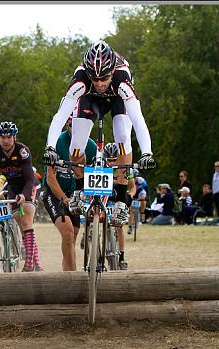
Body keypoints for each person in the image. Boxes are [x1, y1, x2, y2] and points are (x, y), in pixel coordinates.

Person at [43, 40, 156, 227]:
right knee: (77, 144)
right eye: (94, 79)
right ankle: (80, 189)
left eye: (104, 78)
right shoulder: (80, 80)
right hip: (88, 98)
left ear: (112, 72)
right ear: (87, 73)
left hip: (117, 99)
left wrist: (147, 152)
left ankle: (120, 199)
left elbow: (138, 119)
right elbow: (61, 116)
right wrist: (50, 147)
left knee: (122, 137)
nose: (99, 83)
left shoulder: (122, 79)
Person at [0, 121, 43, 272]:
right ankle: (35, 259)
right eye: (2, 137)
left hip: (28, 185)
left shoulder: (22, 151)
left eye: (9, 137)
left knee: (27, 221)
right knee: (20, 223)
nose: (6, 141)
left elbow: (30, 179)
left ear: (14, 137)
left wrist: (24, 195)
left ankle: (30, 264)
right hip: (12, 187)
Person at [41, 119, 96, 271]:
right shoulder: (57, 143)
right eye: (73, 125)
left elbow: (95, 176)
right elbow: (50, 178)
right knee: (68, 232)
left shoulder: (91, 146)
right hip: (56, 194)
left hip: (77, 196)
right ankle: (73, 276)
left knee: (72, 238)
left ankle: (67, 272)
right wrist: (63, 198)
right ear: (67, 124)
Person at [103, 143, 135, 270]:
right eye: (109, 160)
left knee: (119, 226)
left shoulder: (125, 167)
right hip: (105, 198)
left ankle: (121, 257)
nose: (111, 163)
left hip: (118, 199)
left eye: (114, 160)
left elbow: (132, 187)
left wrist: (131, 196)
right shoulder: (101, 167)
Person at [127, 168, 148, 234]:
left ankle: (142, 213)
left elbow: (146, 189)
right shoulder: (128, 180)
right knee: (131, 210)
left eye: (135, 177)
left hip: (140, 192)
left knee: (143, 198)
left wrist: (146, 197)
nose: (134, 178)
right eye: (133, 177)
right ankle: (130, 226)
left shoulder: (141, 180)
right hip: (132, 193)